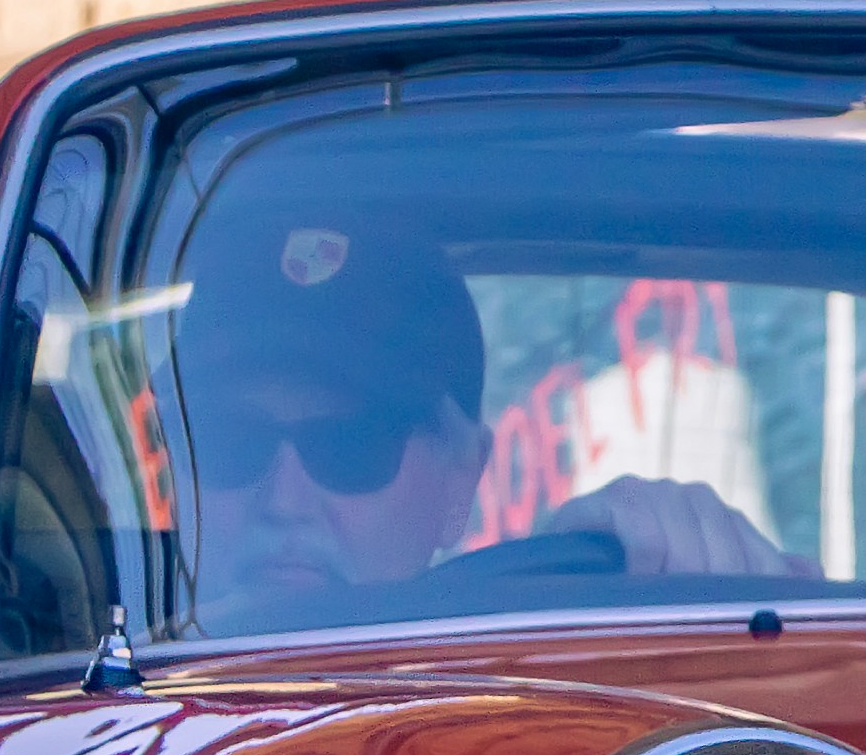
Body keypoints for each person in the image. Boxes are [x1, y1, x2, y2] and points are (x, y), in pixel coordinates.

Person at [176, 207, 785, 605]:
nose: (284, 500)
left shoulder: (539, 708)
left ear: (460, 480)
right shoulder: (89, 681)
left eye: (351, 445)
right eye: (232, 441)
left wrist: (663, 568)